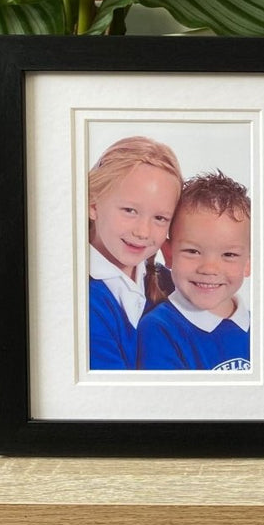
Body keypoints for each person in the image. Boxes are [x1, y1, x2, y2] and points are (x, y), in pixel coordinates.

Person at [136, 171, 252, 371]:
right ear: (169, 254)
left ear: (248, 263)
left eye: (229, 255)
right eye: (193, 251)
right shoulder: (159, 330)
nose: (209, 269)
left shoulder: (261, 326)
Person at [88, 136, 183, 370]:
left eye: (160, 218)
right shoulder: (82, 300)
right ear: (92, 204)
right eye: (130, 210)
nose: (143, 232)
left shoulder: (167, 281)